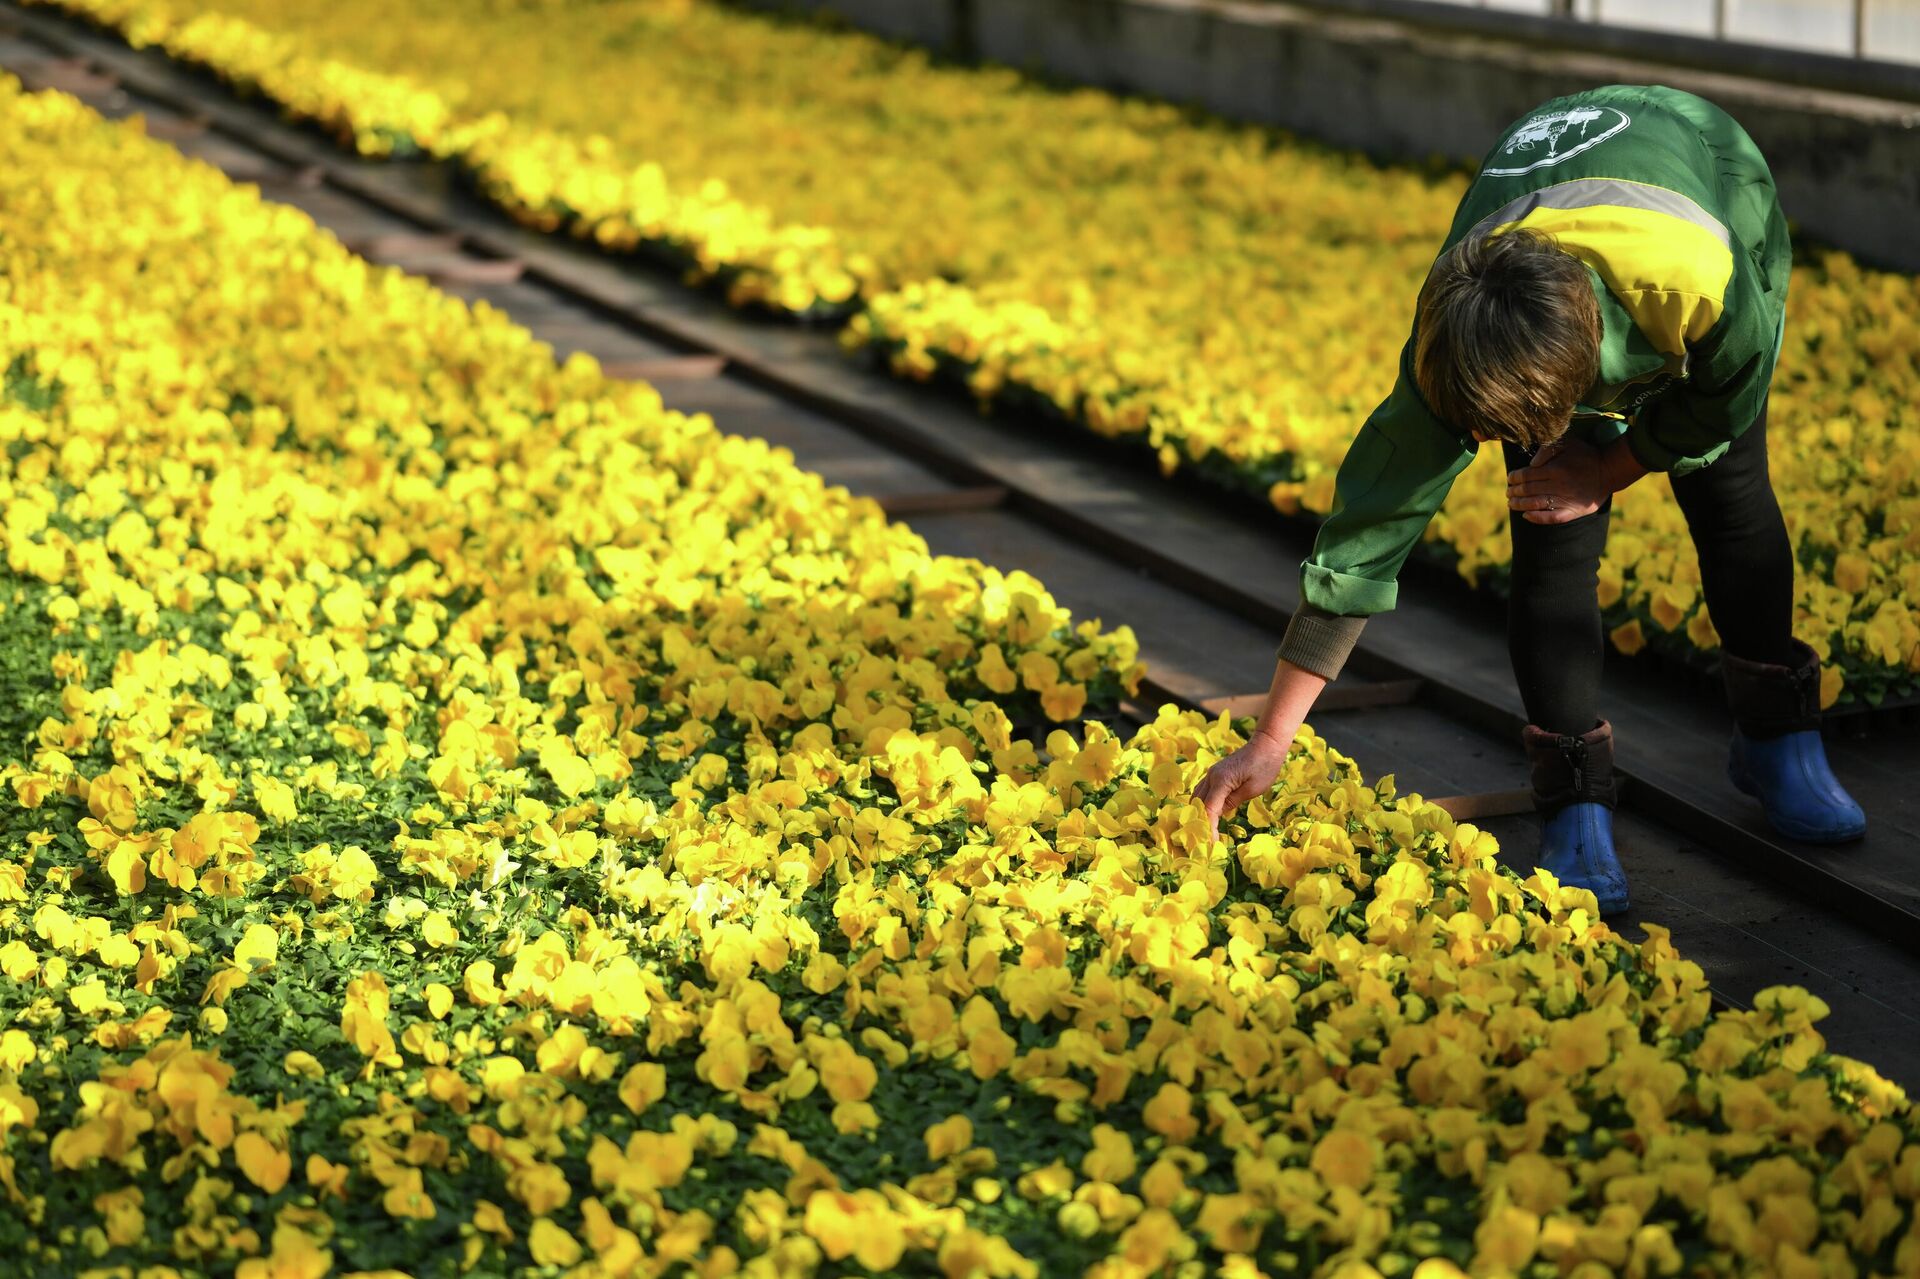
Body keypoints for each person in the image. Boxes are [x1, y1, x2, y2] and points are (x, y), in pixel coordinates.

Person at [1193, 84, 1865, 915]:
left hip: (1709, 179)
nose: (1486, 439)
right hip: (1541, 283)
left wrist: (1611, 466)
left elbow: (1726, 398)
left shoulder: (1701, 281)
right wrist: (1271, 737)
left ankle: (1777, 736)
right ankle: (1575, 795)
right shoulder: (1463, 328)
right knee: (1550, 531)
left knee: (1729, 493)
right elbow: (1371, 528)